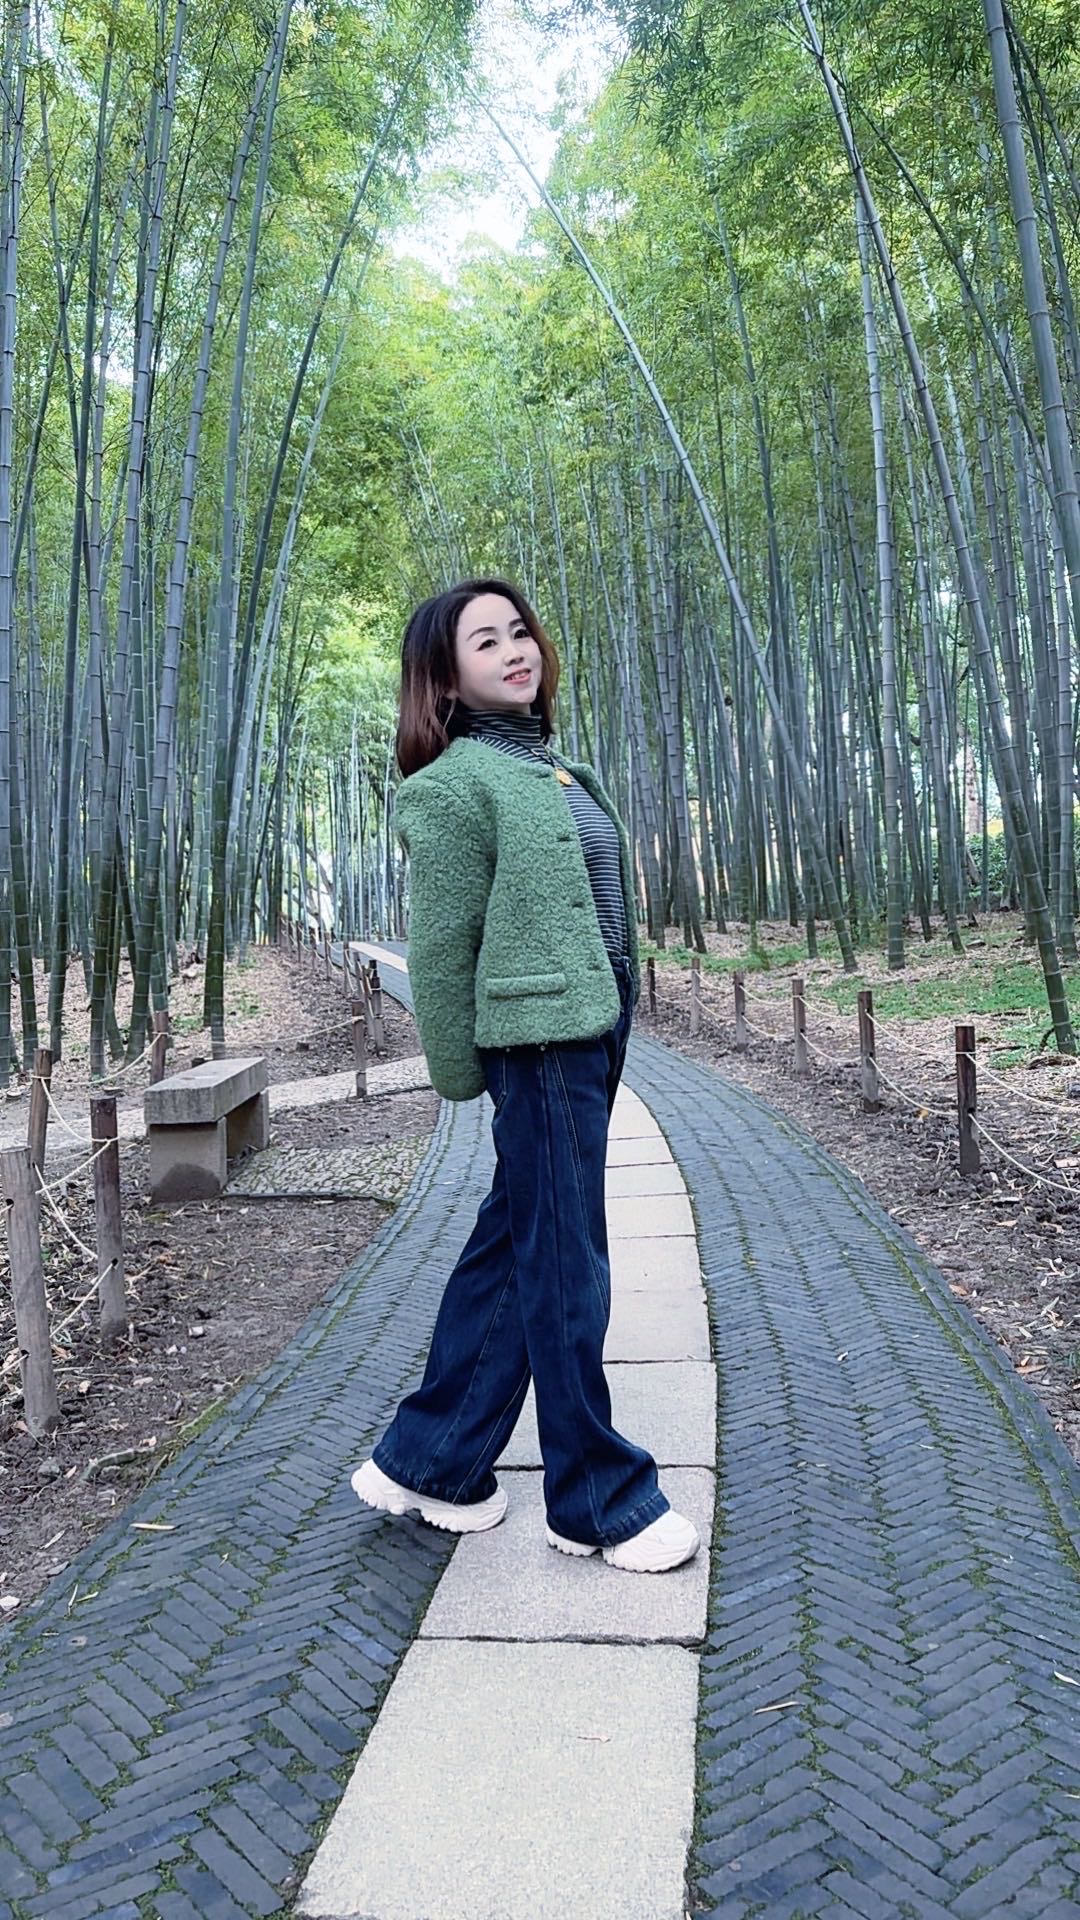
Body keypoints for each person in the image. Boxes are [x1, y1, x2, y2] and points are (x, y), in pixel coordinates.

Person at [351, 578, 699, 1574]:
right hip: (539, 1045)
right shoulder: (453, 784)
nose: (515, 650)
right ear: (443, 678)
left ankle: (433, 1459)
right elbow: (440, 943)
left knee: (517, 1248)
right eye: (485, 641)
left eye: (519, 632)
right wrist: (461, 1072)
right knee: (566, 1266)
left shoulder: (554, 769)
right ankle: (594, 1498)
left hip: (590, 1031)